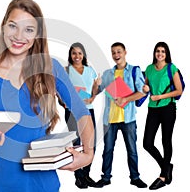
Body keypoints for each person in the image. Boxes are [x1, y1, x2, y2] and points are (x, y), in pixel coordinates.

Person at [0, 0, 95, 192]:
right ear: (3, 27)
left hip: (43, 183)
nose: (18, 36)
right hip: (0, 182)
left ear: (37, 35)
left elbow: (81, 111)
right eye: (13, 26)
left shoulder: (51, 68)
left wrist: (88, 154)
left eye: (28, 30)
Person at [92, 42, 147, 188]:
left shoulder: (134, 70)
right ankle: (105, 178)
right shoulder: (108, 74)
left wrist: (126, 99)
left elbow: (142, 91)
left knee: (132, 150)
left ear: (125, 52)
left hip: (128, 118)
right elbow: (96, 92)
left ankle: (135, 178)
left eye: (119, 52)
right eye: (113, 52)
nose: (116, 55)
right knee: (108, 150)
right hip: (110, 119)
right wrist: (95, 84)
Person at [142, 42, 182, 190]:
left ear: (166, 54)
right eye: (158, 51)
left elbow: (179, 91)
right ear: (154, 53)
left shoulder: (171, 68)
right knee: (147, 143)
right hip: (153, 109)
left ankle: (163, 176)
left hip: (168, 108)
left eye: (163, 52)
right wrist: (145, 88)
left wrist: (161, 96)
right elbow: (145, 88)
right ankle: (167, 167)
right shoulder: (149, 69)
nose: (160, 54)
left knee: (166, 140)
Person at [64, 42, 97, 188]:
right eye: (74, 53)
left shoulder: (90, 70)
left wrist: (93, 97)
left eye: (79, 53)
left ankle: (87, 174)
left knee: (90, 143)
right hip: (72, 111)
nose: (77, 56)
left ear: (83, 55)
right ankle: (79, 177)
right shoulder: (66, 70)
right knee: (77, 143)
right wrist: (62, 101)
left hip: (88, 109)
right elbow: (59, 90)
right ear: (70, 56)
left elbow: (95, 86)